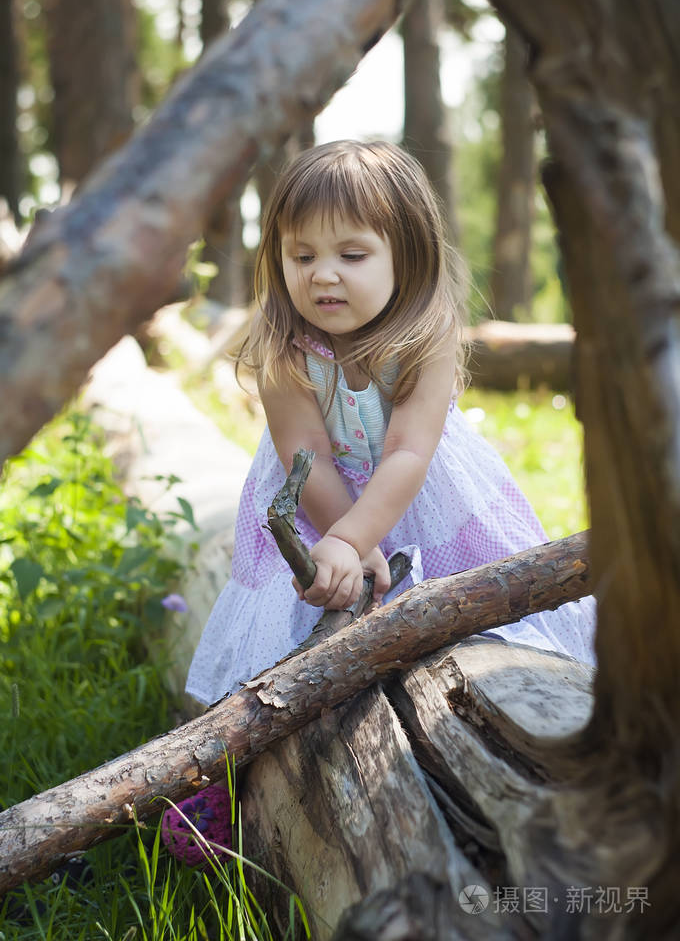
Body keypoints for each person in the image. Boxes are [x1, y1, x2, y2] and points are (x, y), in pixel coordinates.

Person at [162, 139, 596, 863]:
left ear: (409, 256)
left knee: (486, 627)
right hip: (316, 508)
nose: (322, 275)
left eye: (351, 255)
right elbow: (310, 461)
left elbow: (406, 456)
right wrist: (346, 544)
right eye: (301, 257)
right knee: (277, 648)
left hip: (426, 501)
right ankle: (228, 774)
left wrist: (364, 535)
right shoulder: (285, 351)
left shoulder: (423, 340)